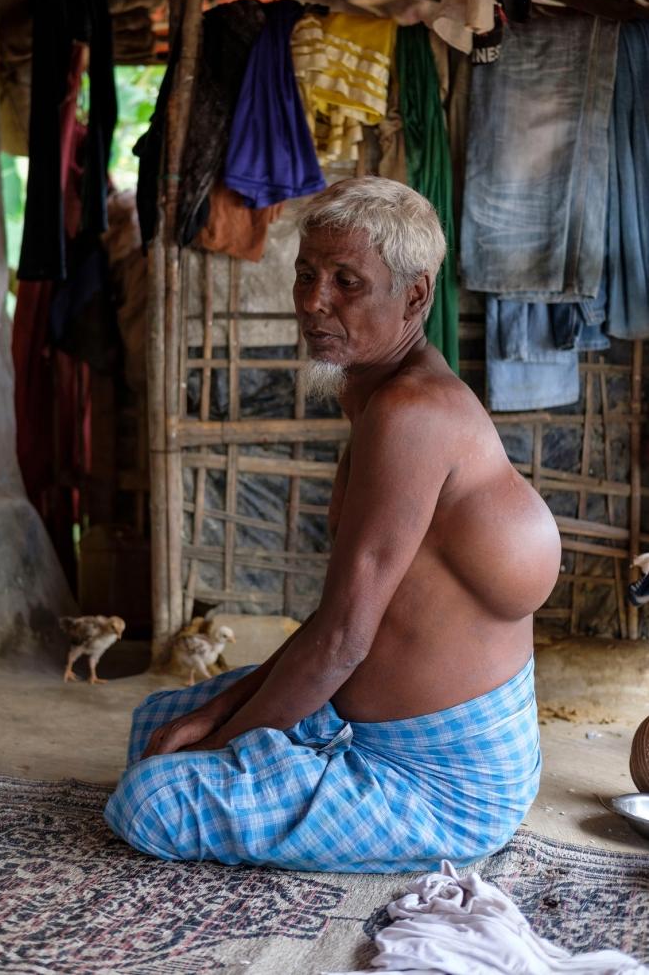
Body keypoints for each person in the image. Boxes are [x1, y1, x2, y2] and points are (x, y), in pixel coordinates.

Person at [105, 177, 561, 873]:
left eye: (346, 281)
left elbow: (343, 641)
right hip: (373, 730)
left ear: (413, 296)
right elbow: (344, 620)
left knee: (151, 800)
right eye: (306, 274)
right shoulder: (390, 397)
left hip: (438, 787)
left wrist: (225, 741)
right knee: (158, 725)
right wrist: (220, 715)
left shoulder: (412, 416)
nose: (314, 301)